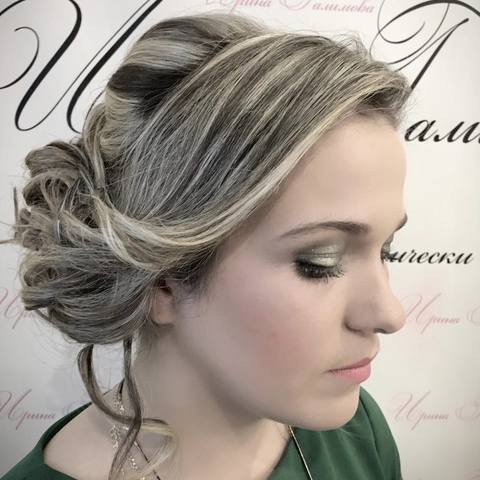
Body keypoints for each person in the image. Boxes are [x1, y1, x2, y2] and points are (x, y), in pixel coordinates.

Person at [0, 10, 412, 480]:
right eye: (320, 261)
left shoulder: (358, 433)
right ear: (162, 279)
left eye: (386, 250)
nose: (390, 314)